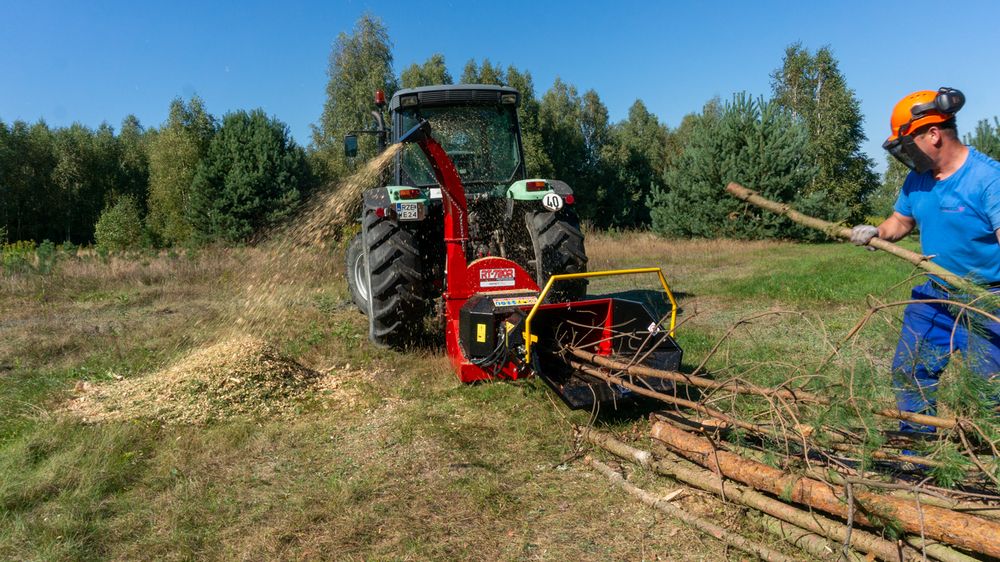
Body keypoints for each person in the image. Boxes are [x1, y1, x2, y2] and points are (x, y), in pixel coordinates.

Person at [850, 87, 1000, 431]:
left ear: (933, 134)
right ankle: (920, 449)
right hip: (935, 294)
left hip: (988, 300)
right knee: (911, 370)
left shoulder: (989, 179)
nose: (905, 154)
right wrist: (876, 233)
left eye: (907, 143)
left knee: (990, 391)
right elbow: (901, 221)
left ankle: (985, 457)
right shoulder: (917, 179)